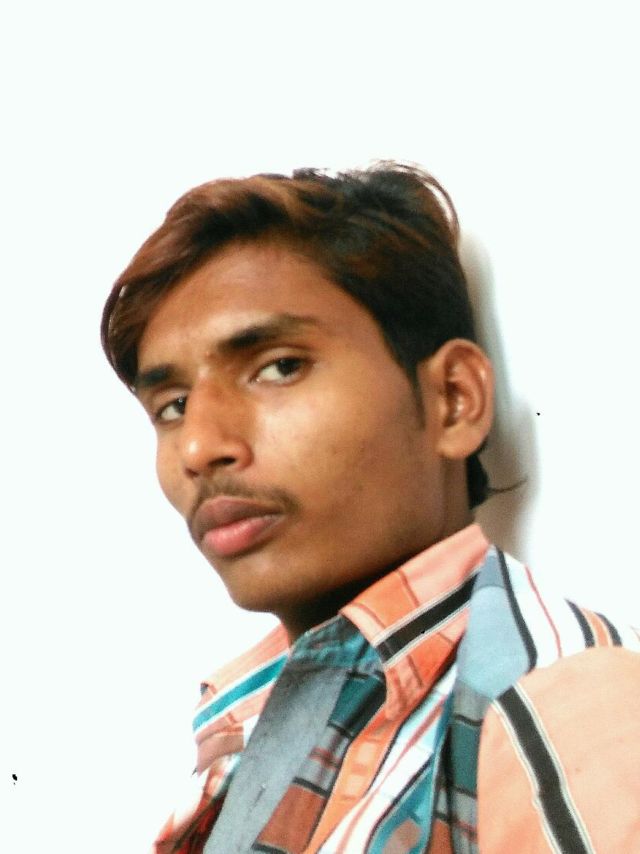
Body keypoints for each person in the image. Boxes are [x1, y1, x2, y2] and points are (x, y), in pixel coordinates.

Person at [101, 163, 640, 853]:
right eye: (173, 406)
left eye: (279, 367)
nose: (200, 446)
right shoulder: (254, 717)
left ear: (454, 400)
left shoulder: (555, 707)